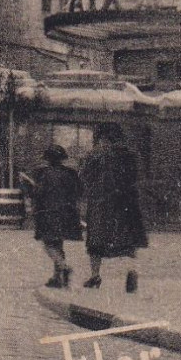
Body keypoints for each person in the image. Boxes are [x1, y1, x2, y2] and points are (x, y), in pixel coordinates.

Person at [81, 123, 149, 293]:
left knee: (95, 243)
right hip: (127, 203)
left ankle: (95, 276)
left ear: (103, 138)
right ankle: (131, 270)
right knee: (129, 242)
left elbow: (83, 177)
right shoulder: (131, 155)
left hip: (102, 204)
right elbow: (138, 177)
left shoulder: (96, 155)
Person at [31, 144, 83, 288]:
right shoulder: (71, 174)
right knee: (59, 244)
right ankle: (57, 278)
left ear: (48, 159)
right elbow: (79, 192)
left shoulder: (43, 174)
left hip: (48, 213)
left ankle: (63, 267)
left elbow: (38, 193)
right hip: (68, 213)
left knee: (48, 244)